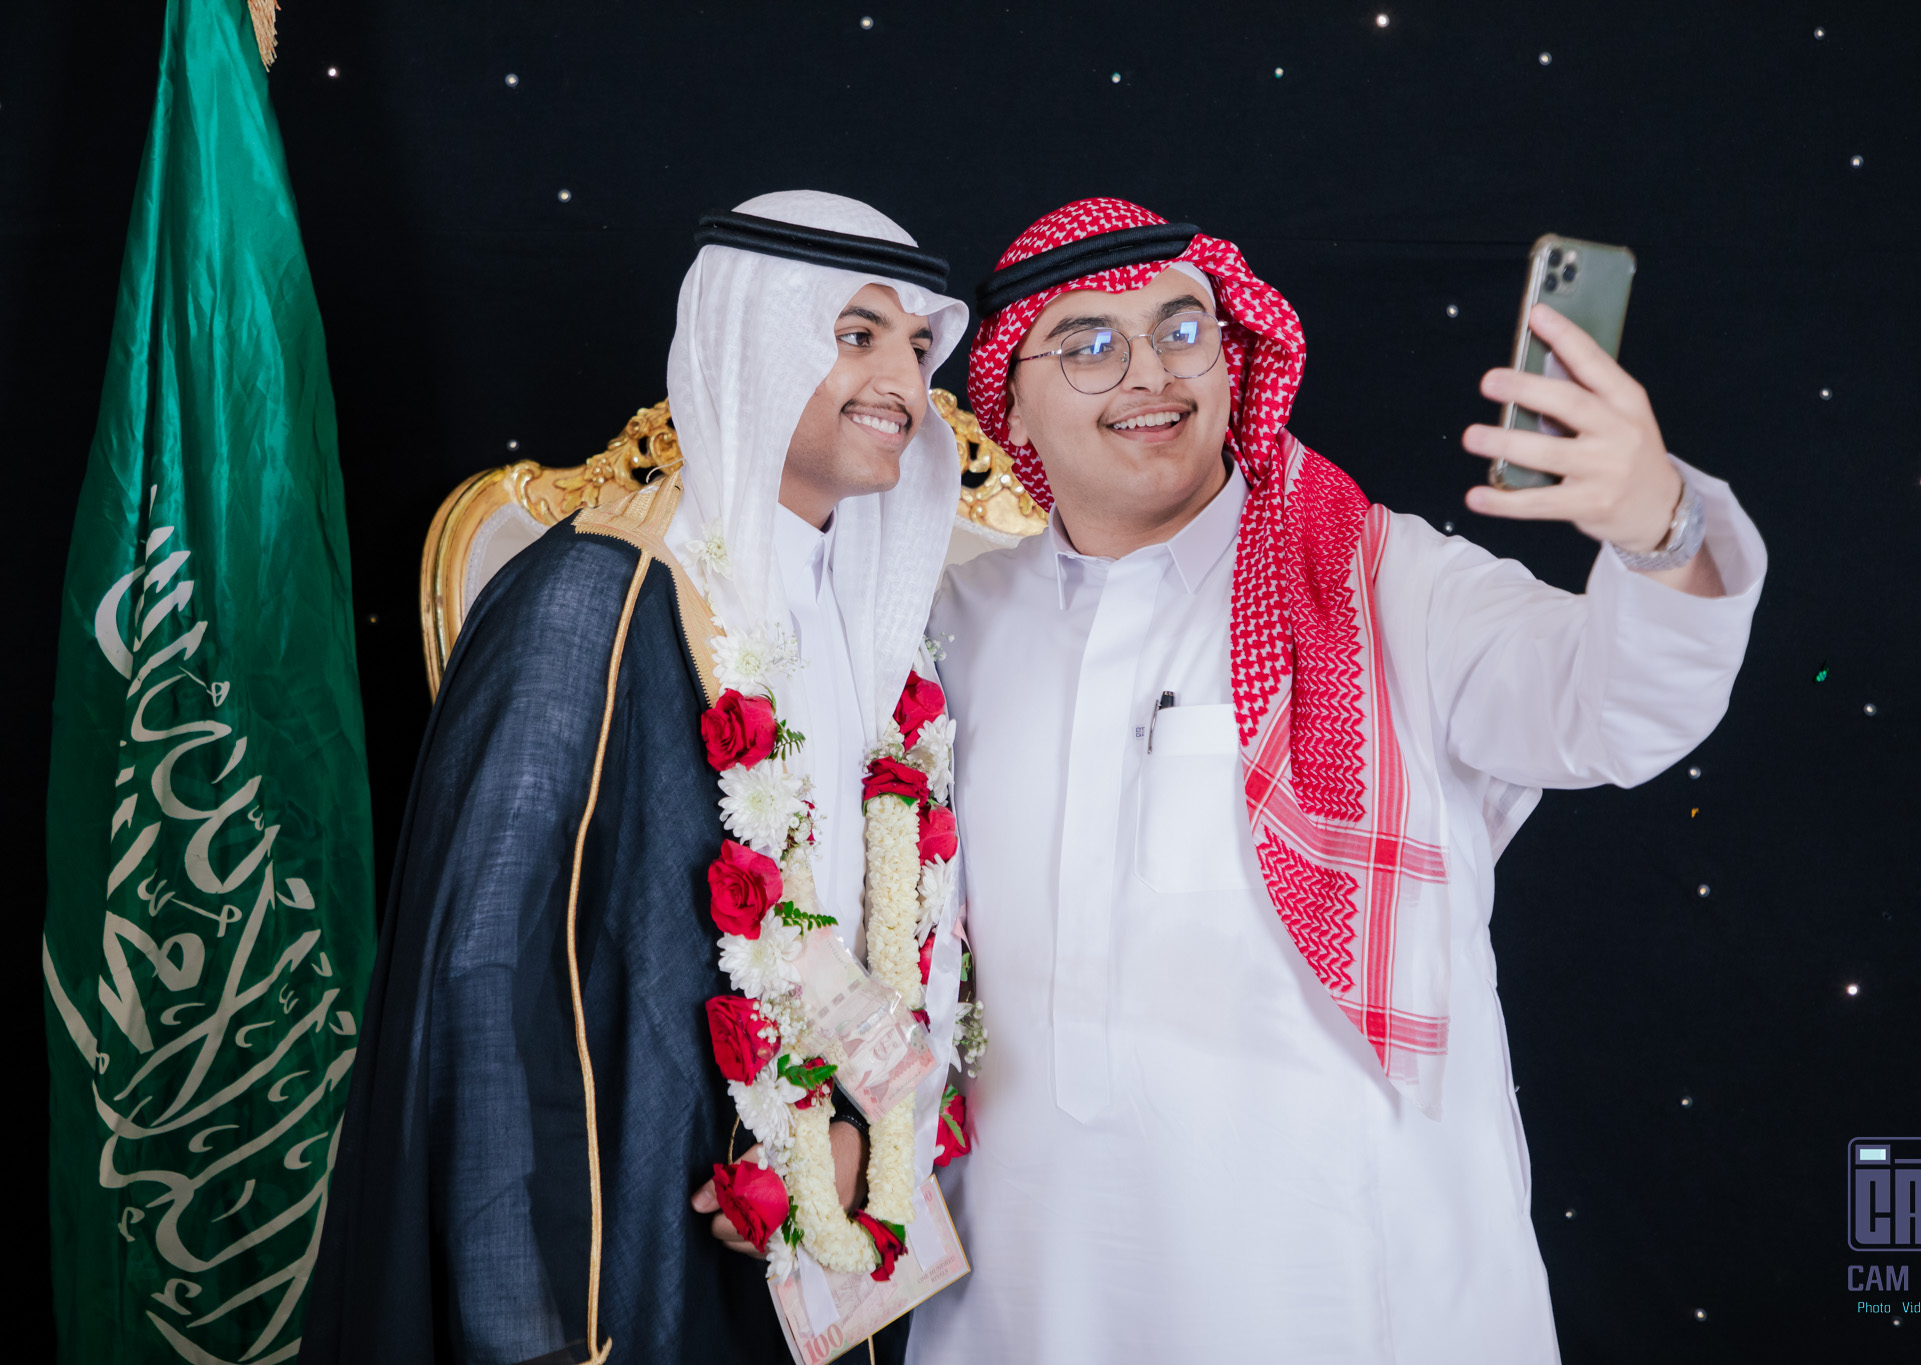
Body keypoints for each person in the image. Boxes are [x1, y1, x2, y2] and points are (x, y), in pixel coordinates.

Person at [907, 199, 1766, 1364]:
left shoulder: (1383, 586)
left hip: (1341, 1289)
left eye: (1180, 329)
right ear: (1007, 402)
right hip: (1024, 1294)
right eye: (1088, 344)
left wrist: (1659, 529)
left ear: (1231, 356)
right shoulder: (946, 624)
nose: (1149, 372)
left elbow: (1612, 713)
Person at [304, 191, 971, 1365]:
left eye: (917, 348)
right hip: (628, 1210)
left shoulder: (884, 631)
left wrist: (857, 1143)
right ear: (752, 344)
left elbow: (900, 944)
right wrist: (524, 1310)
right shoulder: (591, 600)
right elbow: (482, 971)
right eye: (856, 335)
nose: (903, 386)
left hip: (829, 1215)